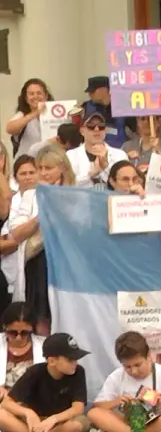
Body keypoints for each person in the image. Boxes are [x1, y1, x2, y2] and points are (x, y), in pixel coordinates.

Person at [9, 145, 77, 335]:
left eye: (49, 168)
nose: (44, 173)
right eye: (41, 168)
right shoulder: (30, 195)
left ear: (62, 167)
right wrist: (41, 216)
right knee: (41, 317)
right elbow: (17, 234)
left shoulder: (76, 194)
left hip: (68, 264)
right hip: (40, 262)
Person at [0, 333, 91, 432]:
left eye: (76, 359)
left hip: (60, 422)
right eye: (70, 359)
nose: (75, 363)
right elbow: (6, 403)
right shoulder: (35, 372)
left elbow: (78, 408)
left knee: (82, 423)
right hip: (34, 423)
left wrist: (54, 419)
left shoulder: (78, 372)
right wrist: (28, 413)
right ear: (52, 361)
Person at [0, 156, 39, 304]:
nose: (28, 177)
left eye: (31, 172)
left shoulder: (43, 198)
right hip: (10, 269)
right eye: (23, 173)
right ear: (15, 178)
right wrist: (24, 235)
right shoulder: (11, 203)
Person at [66, 111, 129, 189]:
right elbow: (66, 185)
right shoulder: (70, 156)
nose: (97, 129)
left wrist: (106, 167)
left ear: (105, 130)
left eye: (101, 126)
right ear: (82, 131)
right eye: (91, 126)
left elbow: (126, 184)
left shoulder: (120, 155)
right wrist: (90, 175)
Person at [0, 302, 45, 389]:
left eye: (24, 333)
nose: (18, 338)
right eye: (12, 332)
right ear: (4, 327)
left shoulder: (46, 345)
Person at [6, 78, 53, 159]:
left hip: (47, 163)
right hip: (26, 164)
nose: (35, 96)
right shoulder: (22, 115)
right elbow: (9, 129)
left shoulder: (54, 115)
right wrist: (34, 114)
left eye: (39, 93)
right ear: (26, 99)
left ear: (46, 96)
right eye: (31, 94)